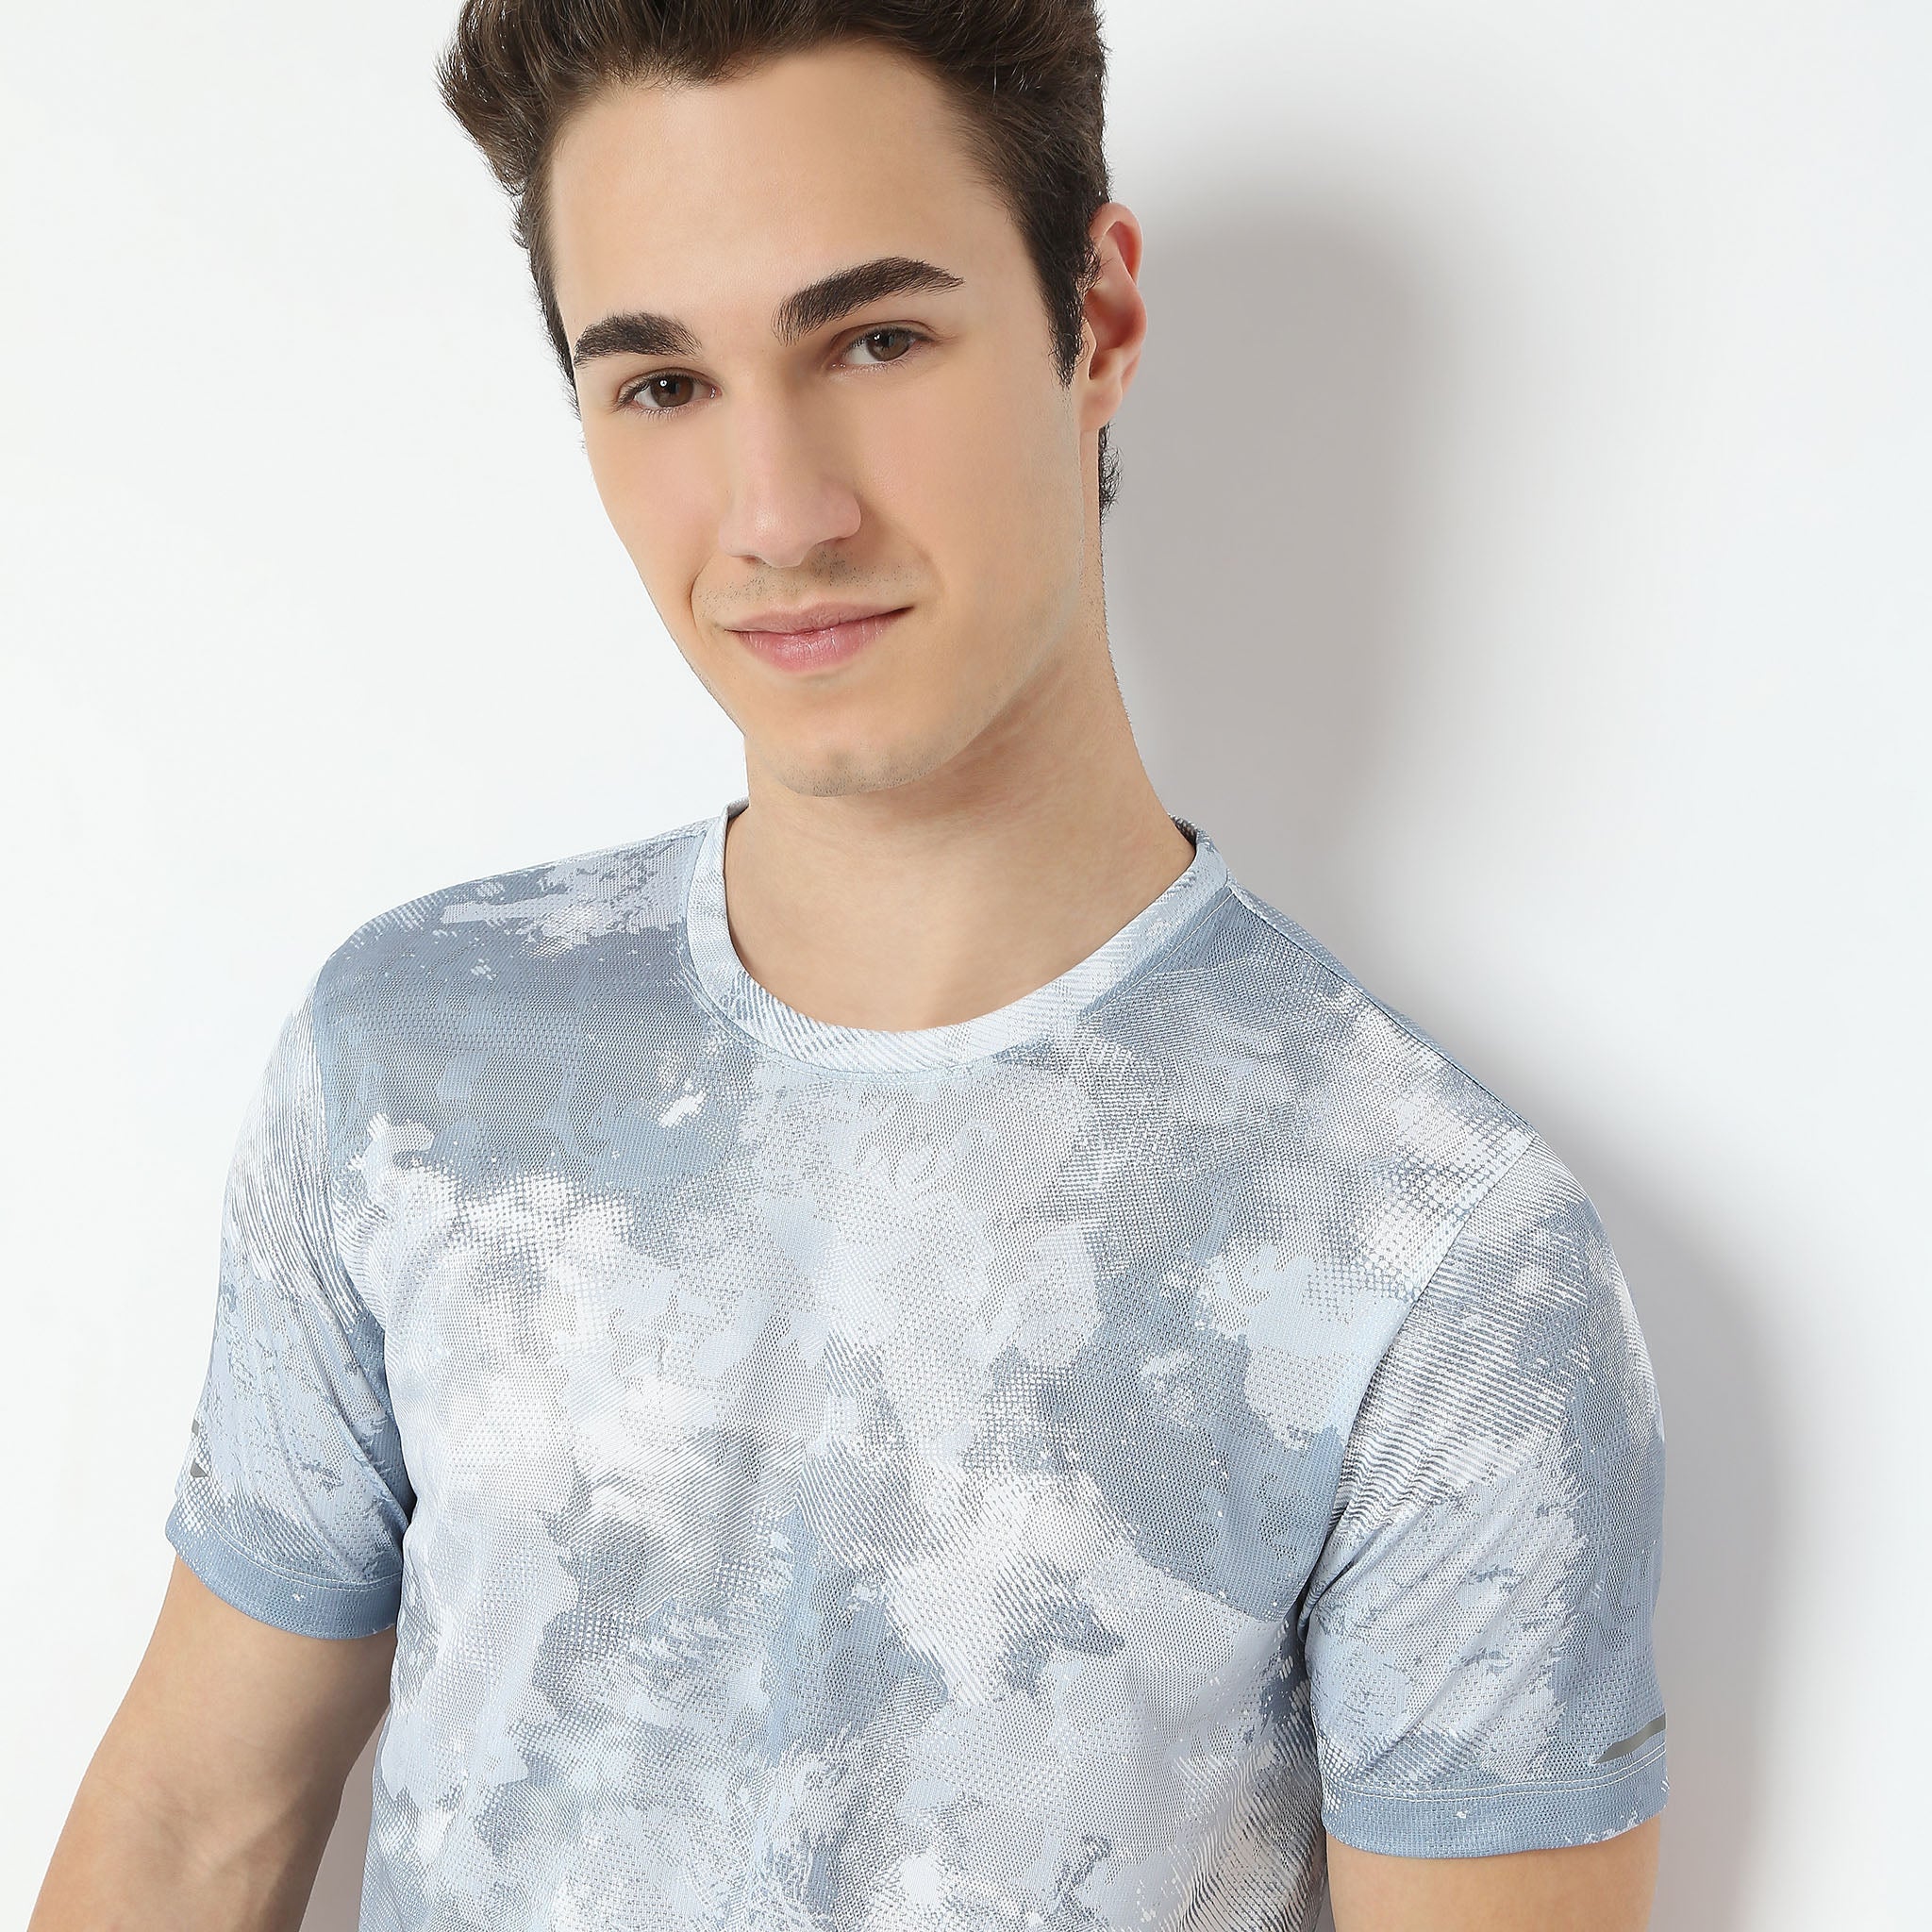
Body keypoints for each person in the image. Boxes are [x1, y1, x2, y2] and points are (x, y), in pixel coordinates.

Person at [30, 4, 1669, 1928]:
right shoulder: (413, 1064)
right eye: (661, 383)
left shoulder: (1432, 1252)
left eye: (876, 339)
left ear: (1096, 319)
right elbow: (190, 1828)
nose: (779, 516)